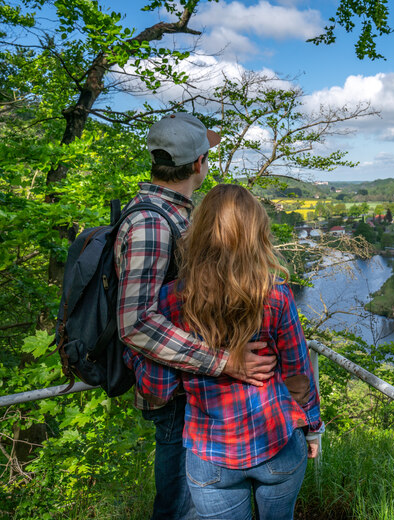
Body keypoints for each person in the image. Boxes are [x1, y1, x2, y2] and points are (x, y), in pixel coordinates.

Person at [116, 113, 277, 519]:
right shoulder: (152, 223)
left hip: (189, 385)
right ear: (198, 164)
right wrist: (226, 361)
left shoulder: (171, 214)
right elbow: (135, 324)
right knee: (180, 505)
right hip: (173, 392)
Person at [134, 184, 323, 520]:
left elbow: (157, 388)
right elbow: (298, 375)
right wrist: (312, 427)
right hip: (276, 445)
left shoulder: (170, 300)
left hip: (210, 455)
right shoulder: (275, 296)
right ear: (256, 234)